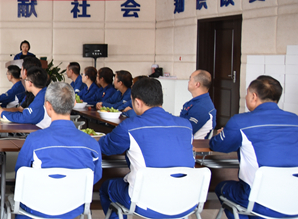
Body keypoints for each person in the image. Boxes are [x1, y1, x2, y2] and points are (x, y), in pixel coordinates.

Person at [98, 77, 195, 219]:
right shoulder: (186, 126)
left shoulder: (130, 126)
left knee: (106, 188)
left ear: (137, 102)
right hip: (186, 201)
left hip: (146, 202)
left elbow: (105, 147)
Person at [210, 76, 298, 219]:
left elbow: (218, 145)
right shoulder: (295, 119)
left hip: (259, 201)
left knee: (222, 188)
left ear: (253, 96)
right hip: (293, 201)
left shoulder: (241, 121)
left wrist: (224, 133)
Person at [15, 82, 102, 218]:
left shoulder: (34, 140)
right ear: (74, 103)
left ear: (48, 105)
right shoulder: (91, 143)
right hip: (74, 209)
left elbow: (20, 174)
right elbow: (95, 176)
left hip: (38, 208)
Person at [180, 70, 217, 139]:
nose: (188, 82)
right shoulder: (198, 102)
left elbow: (185, 131)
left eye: (190, 80)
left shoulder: (201, 107)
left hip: (192, 144)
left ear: (197, 84)